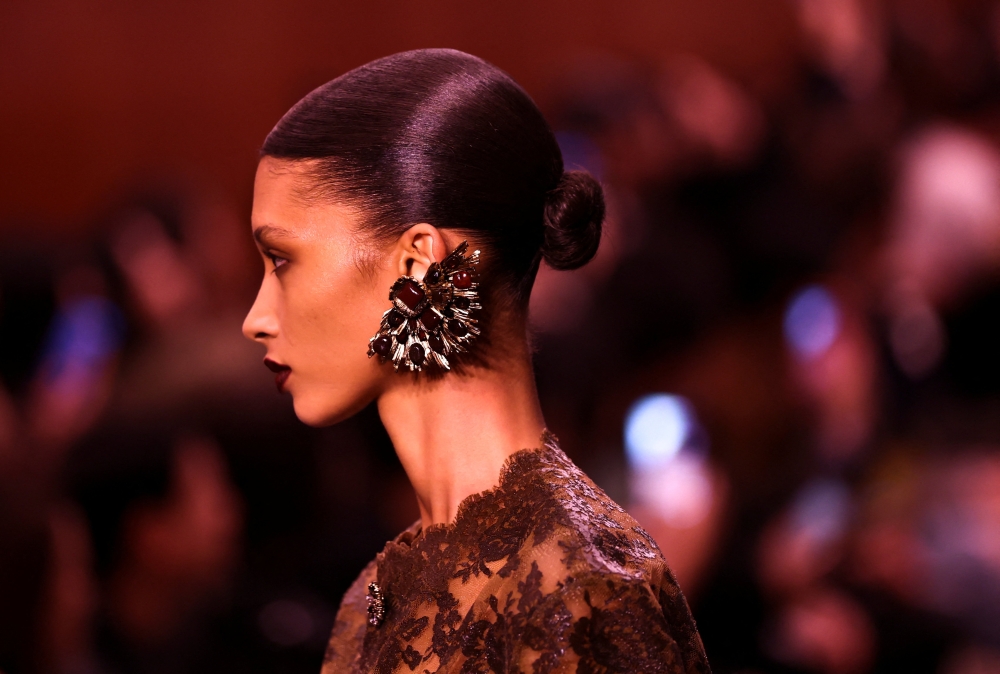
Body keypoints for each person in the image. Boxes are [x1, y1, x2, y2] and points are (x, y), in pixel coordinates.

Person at [242, 48, 710, 673]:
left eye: (281, 261)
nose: (255, 318)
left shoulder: (584, 590)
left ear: (416, 266)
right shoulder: (374, 596)